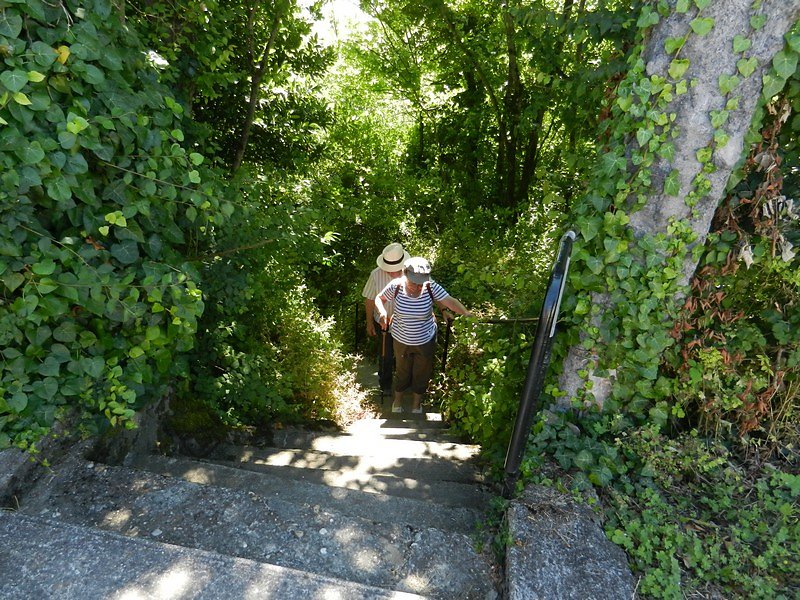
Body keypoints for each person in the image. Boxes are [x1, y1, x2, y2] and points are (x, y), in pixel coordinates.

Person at [375, 256, 472, 414]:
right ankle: (397, 400)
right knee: (402, 371)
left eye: (420, 283)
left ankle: (416, 405)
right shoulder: (396, 286)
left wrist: (467, 315)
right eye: (414, 282)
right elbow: (379, 299)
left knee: (422, 372)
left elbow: (450, 301)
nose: (417, 287)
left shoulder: (430, 286)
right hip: (401, 338)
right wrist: (382, 312)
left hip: (425, 339)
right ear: (405, 275)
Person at [361, 242, 409, 391]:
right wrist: (369, 322)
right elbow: (369, 299)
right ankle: (385, 386)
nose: (392, 272)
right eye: (389, 269)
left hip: (406, 323)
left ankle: (405, 386)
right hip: (382, 323)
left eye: (395, 269)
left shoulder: (412, 274)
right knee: (385, 356)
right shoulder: (375, 274)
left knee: (405, 356)